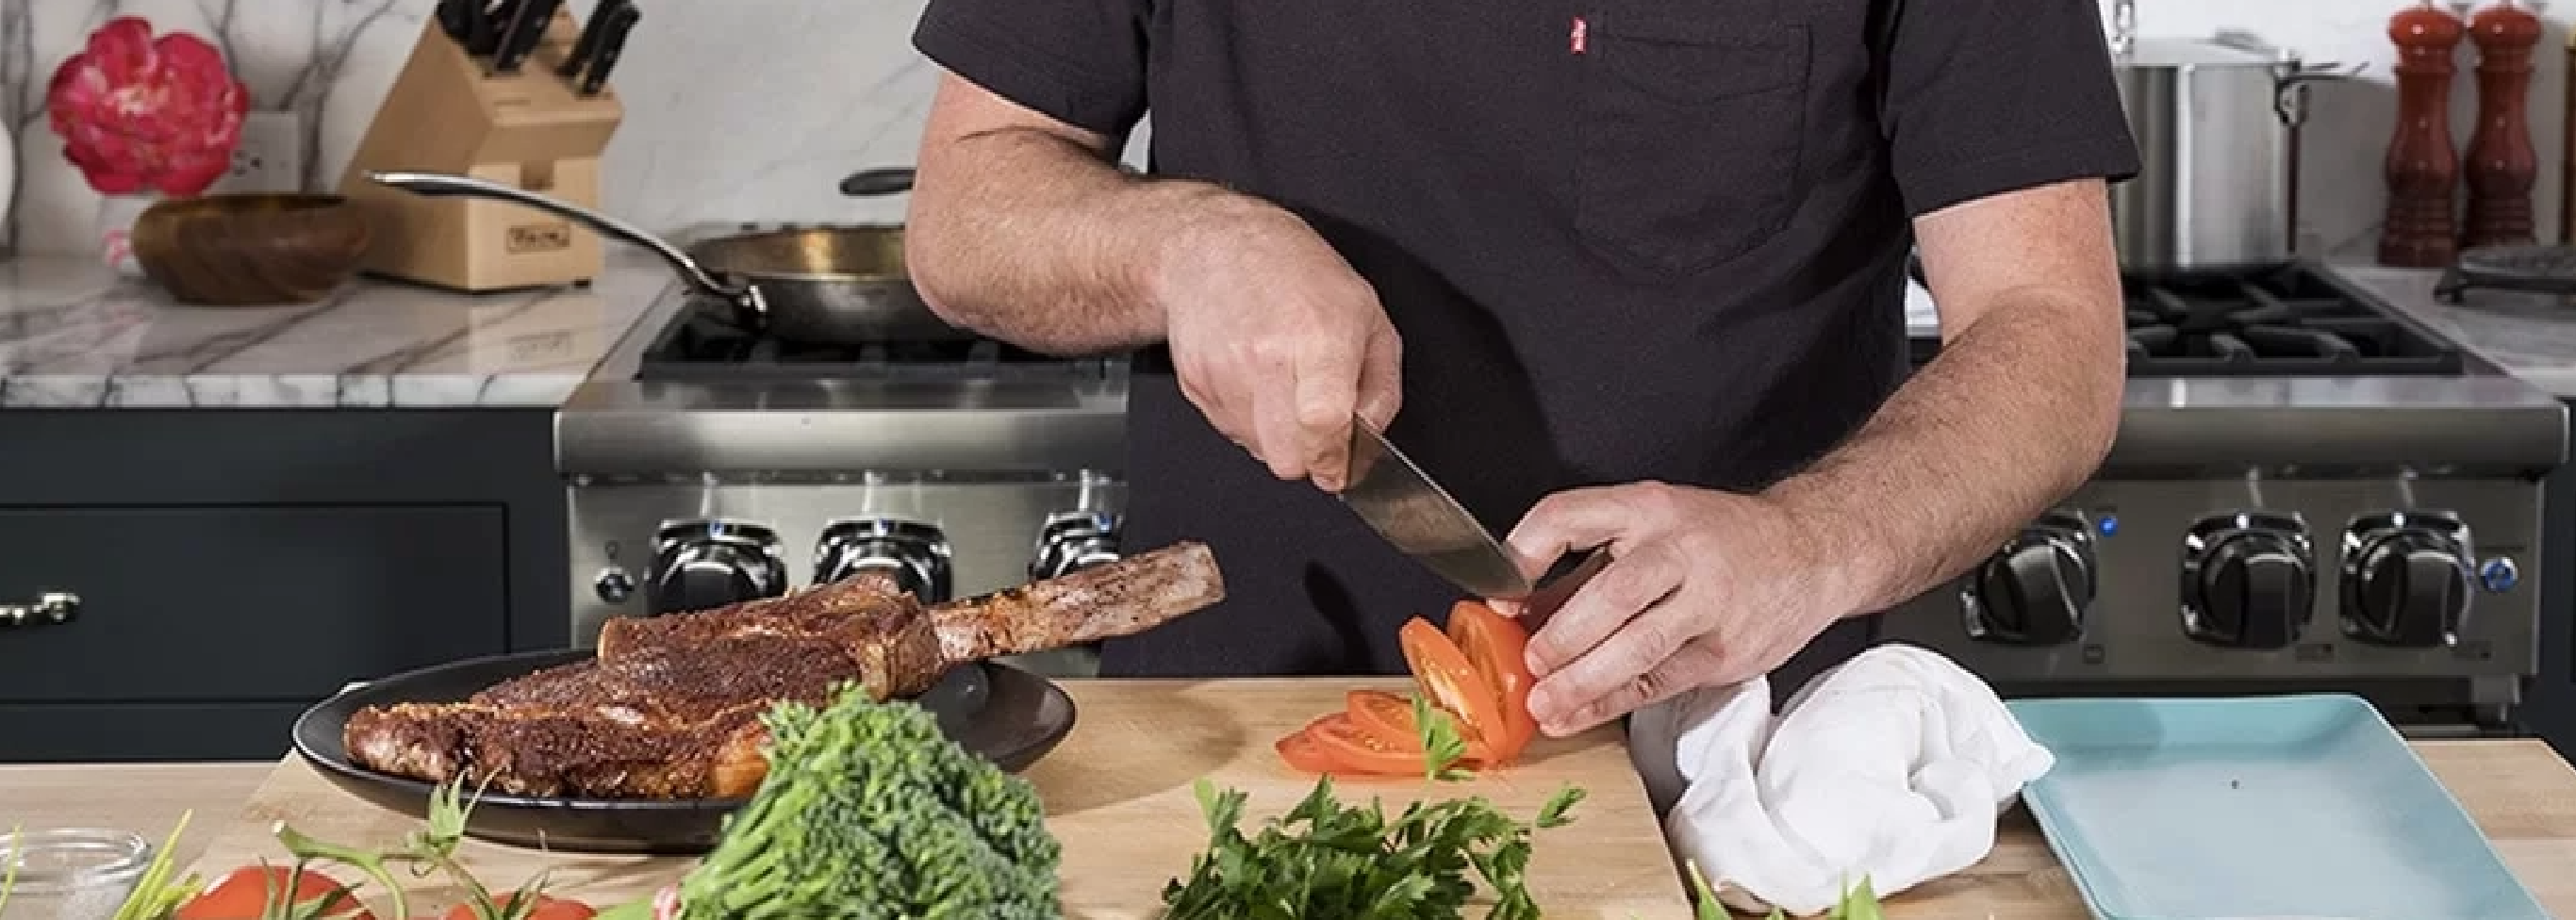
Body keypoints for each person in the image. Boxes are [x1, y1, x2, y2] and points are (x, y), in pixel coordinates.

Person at [900, 0, 2139, 740]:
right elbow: (967, 211)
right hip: (1239, 742)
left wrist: (1807, 542)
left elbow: (2051, 328)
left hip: (1724, 770)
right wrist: (1182, 244)